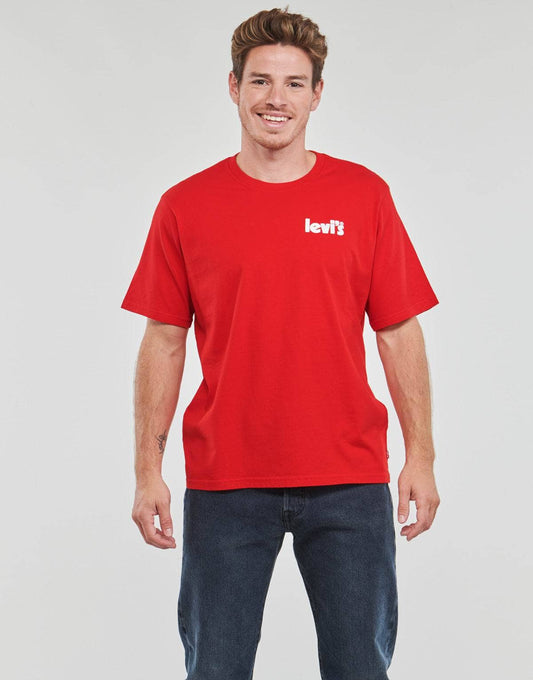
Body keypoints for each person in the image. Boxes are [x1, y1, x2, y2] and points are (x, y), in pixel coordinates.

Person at [121, 7, 440, 679]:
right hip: (227, 480)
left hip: (348, 478)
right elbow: (165, 340)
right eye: (260, 80)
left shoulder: (363, 196)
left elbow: (397, 330)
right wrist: (148, 471)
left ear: (317, 94)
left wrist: (422, 456)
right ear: (233, 87)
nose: (276, 98)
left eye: (294, 83)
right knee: (215, 668)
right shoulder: (186, 205)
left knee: (359, 668)